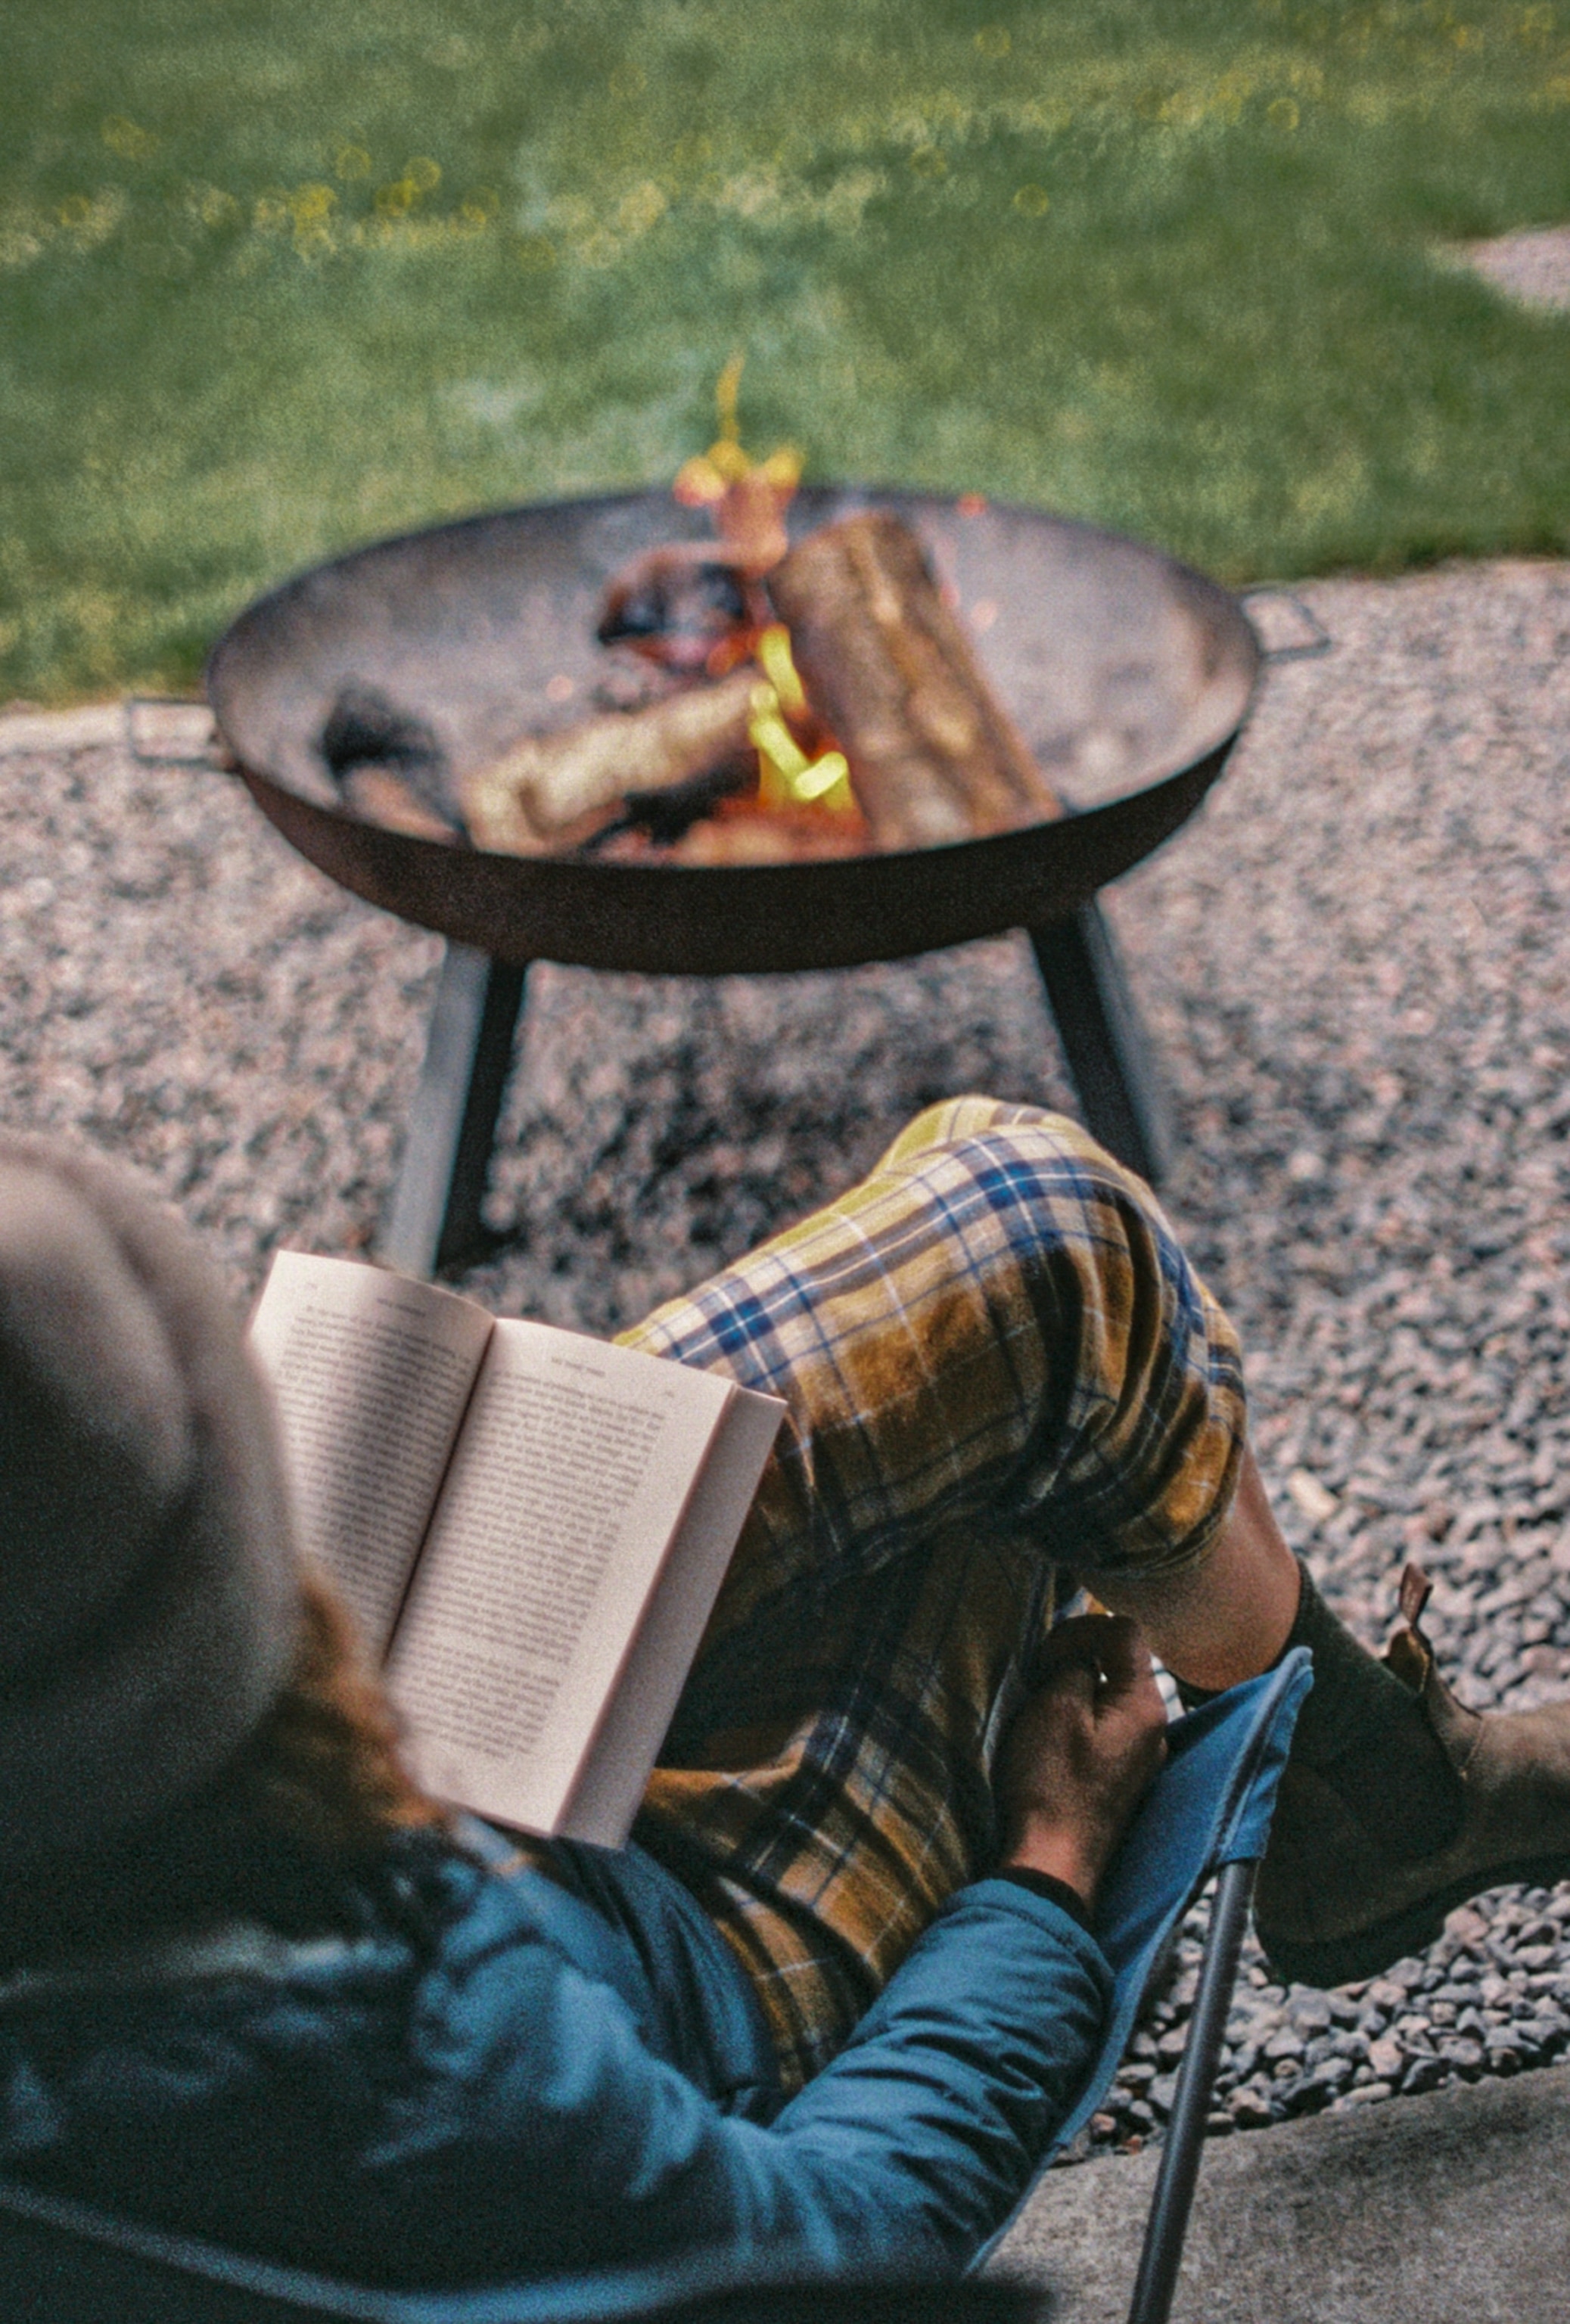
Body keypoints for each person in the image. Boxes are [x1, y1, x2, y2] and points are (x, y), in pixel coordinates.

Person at [2, 1102, 1567, 2291]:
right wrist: (1046, 1872)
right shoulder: (441, 2078)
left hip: (314, 1796)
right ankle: (1386, 1804)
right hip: (681, 1945)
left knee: (1021, 1221)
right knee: (1052, 1285)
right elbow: (843, 2237)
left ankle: (1378, 1799)